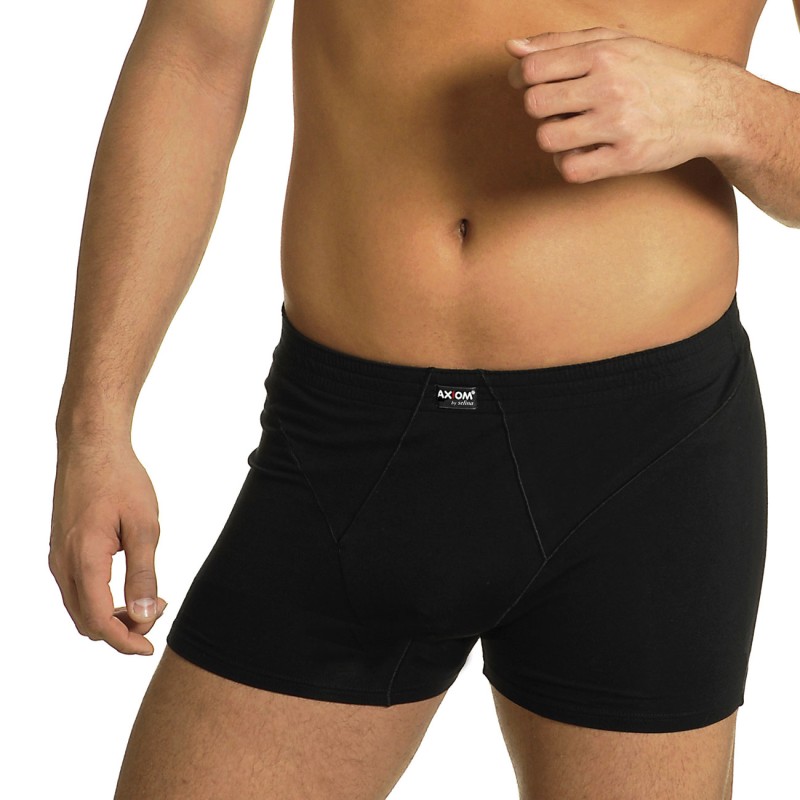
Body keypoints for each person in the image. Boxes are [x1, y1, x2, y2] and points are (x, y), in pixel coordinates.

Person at [47, 0, 795, 796]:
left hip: (645, 469)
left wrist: (722, 107)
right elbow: (194, 58)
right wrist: (94, 426)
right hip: (348, 446)